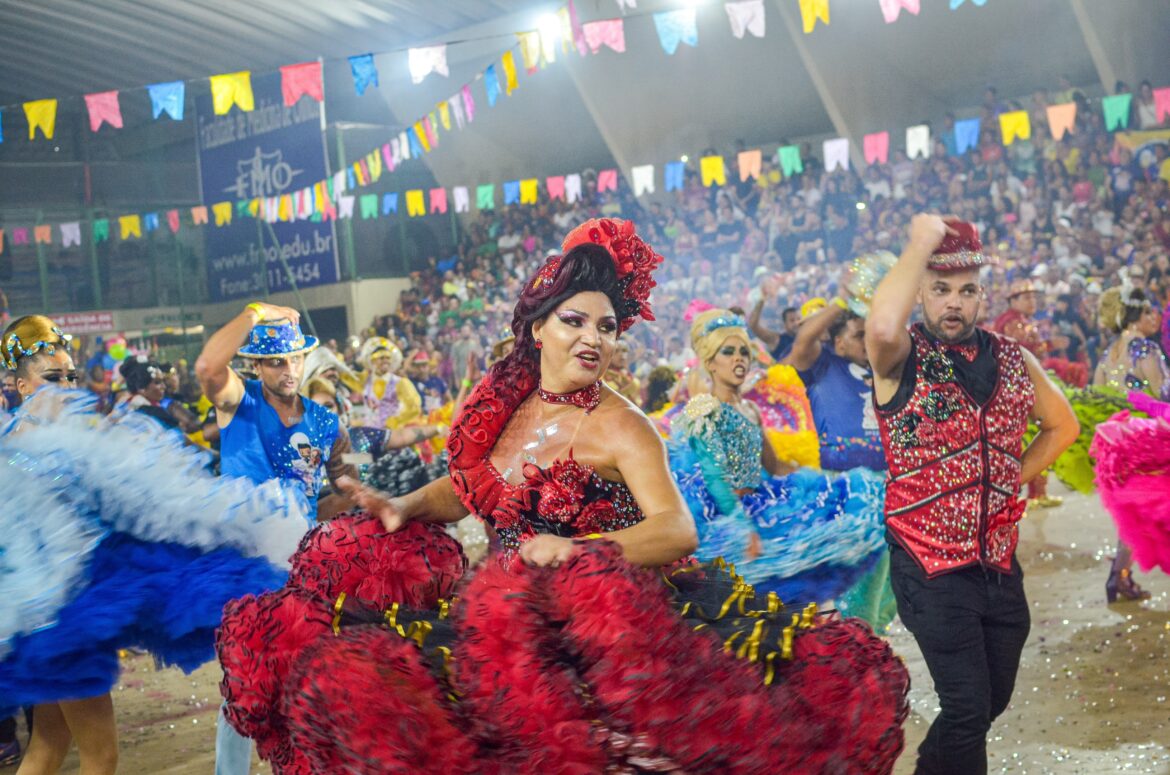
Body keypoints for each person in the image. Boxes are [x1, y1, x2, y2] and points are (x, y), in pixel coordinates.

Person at [217, 219, 910, 773]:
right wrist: (405, 507)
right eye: (576, 321)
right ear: (539, 326)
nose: (593, 338)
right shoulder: (503, 409)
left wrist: (579, 550)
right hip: (501, 635)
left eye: (607, 328)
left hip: (600, 640)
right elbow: (468, 490)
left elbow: (676, 529)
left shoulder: (621, 423)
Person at [0, 315, 302, 775]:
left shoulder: (19, 440)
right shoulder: (37, 440)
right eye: (50, 378)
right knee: (100, 756)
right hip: (62, 626)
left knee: (48, 742)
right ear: (19, 383)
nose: (63, 387)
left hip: (45, 624)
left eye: (69, 377)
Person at [866, 217, 1077, 775]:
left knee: (989, 702)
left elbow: (1064, 426)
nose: (953, 304)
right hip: (928, 564)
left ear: (982, 293)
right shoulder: (899, 356)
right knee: (965, 707)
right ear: (920, 292)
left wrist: (1011, 475)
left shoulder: (1014, 358)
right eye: (939, 290)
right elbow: (883, 324)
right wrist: (918, 245)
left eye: (966, 290)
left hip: (999, 563)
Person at [193, 303, 357, 775]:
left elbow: (342, 491)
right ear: (256, 366)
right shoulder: (237, 405)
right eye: (276, 362)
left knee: (308, 670)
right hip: (245, 565)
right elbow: (206, 366)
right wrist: (255, 312)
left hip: (302, 564)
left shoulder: (327, 424)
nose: (289, 370)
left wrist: (357, 497)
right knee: (244, 677)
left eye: (295, 359)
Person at [670, 307, 887, 605]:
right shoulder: (705, 410)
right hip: (728, 517)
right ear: (710, 362)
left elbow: (773, 466)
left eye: (744, 352)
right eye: (728, 352)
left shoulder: (751, 410)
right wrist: (740, 527)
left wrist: (828, 481)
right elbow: (714, 476)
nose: (738, 359)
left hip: (764, 501)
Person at [1092, 285, 1168, 601]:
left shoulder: (1109, 353)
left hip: (1118, 445)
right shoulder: (1145, 350)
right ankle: (1118, 577)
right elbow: (1164, 395)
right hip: (1150, 443)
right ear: (1136, 315)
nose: (1156, 317)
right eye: (1150, 311)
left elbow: (1096, 396)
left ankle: (1118, 578)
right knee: (1150, 514)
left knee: (1136, 517)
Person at [784, 279, 886, 472]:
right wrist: (842, 301)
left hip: (885, 478)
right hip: (837, 478)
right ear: (839, 342)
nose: (867, 341)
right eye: (858, 336)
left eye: (868, 334)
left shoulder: (883, 371)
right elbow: (804, 341)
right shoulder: (823, 365)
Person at [992, 278, 1064, 507]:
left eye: (1034, 297)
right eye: (1026, 297)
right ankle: (1027, 493)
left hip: (1024, 386)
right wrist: (1050, 344)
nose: (1032, 301)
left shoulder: (1021, 319)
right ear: (1013, 301)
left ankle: (1037, 492)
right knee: (1031, 437)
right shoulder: (1012, 321)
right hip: (1015, 389)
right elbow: (1023, 349)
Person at [747, 280, 800, 362]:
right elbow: (753, 325)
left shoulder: (807, 336)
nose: (796, 323)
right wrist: (762, 300)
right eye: (792, 320)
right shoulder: (777, 339)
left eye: (798, 319)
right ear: (784, 325)